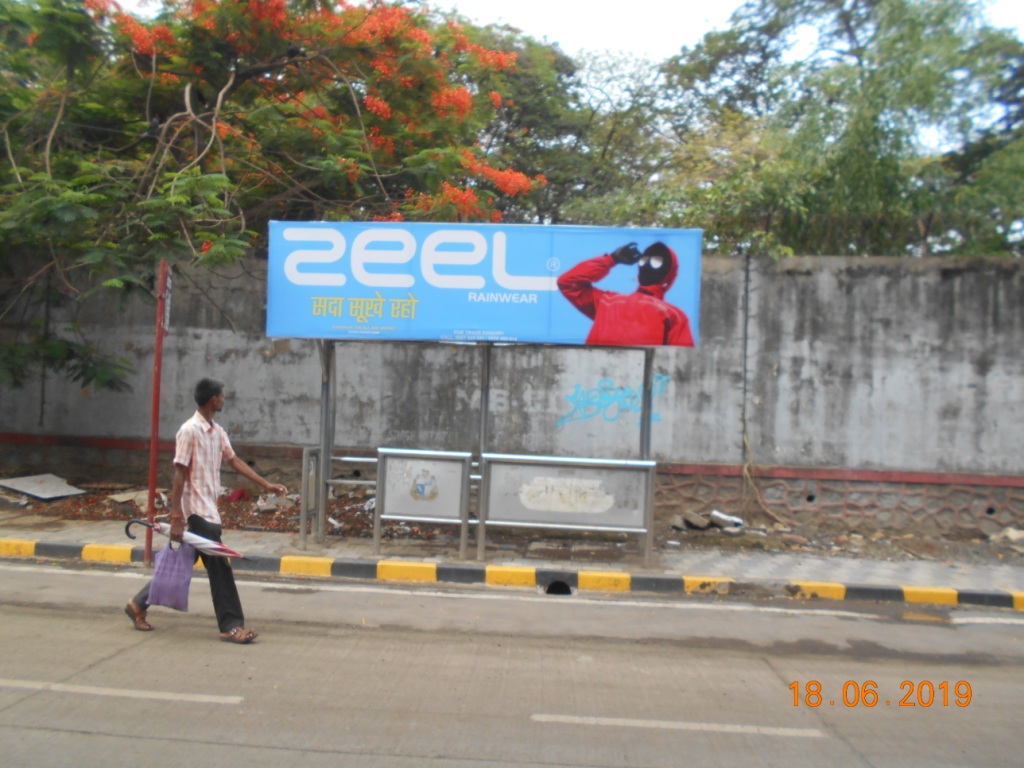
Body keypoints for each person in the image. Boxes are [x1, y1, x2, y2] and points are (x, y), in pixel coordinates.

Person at [124, 377, 287, 644]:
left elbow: (234, 462)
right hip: (197, 513)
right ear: (214, 399)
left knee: (183, 563)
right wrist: (177, 517)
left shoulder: (217, 432)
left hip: (210, 510)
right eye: (222, 396)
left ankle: (138, 604)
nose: (224, 399)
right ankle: (231, 626)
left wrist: (266, 484)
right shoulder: (189, 431)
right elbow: (179, 475)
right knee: (220, 567)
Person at [557, 241, 695, 347]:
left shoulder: (607, 302)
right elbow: (681, 363)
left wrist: (612, 259)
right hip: (640, 383)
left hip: (597, 382)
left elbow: (568, 283)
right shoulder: (673, 316)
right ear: (670, 277)